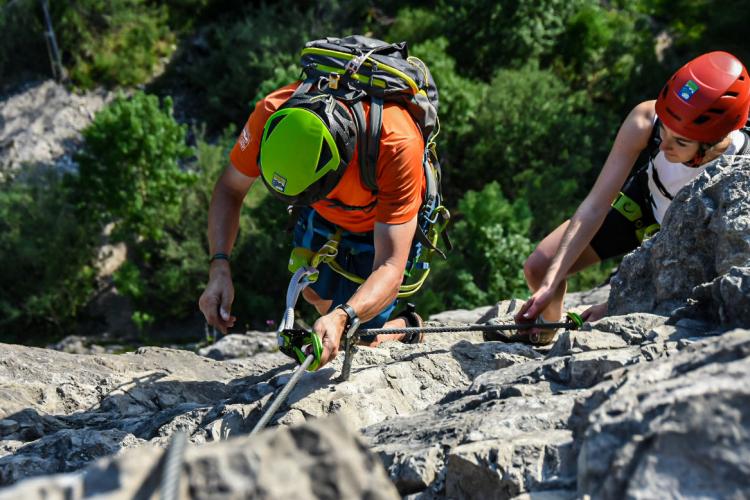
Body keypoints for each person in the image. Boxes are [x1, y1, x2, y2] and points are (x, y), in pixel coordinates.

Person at [516, 51, 750, 343]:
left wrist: (617, 305)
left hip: (684, 240)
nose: (663, 145)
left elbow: (709, 264)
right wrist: (550, 283)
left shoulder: (741, 170)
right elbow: (595, 205)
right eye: (664, 127)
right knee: (539, 266)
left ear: (714, 140)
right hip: (642, 203)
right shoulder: (646, 119)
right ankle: (548, 329)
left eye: (681, 141)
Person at [198, 81, 427, 368]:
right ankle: (337, 320)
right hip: (319, 209)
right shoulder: (273, 111)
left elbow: (390, 267)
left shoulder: (395, 143)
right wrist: (219, 266)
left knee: (358, 342)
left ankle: (406, 326)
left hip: (381, 225)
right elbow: (230, 189)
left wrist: (343, 316)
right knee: (313, 291)